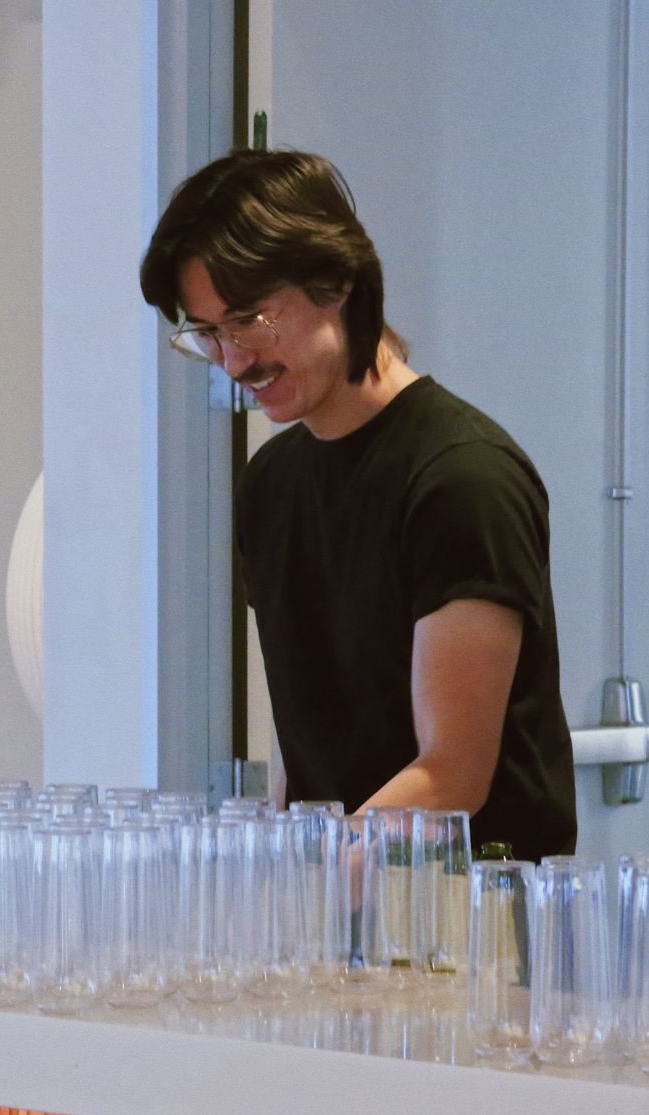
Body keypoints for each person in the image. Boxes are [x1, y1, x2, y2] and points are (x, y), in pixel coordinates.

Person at [138, 149, 576, 858]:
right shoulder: (270, 484)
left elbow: (451, 775)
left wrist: (305, 875)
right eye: (210, 334)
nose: (235, 360)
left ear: (336, 280)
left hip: (475, 908)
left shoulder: (462, 478)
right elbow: (308, 750)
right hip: (342, 903)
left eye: (250, 318)